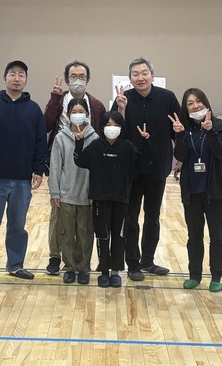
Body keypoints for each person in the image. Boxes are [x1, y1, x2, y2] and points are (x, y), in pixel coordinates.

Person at [0, 60, 47, 283]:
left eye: (21, 75)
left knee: (17, 226)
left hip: (22, 179)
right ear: (5, 78)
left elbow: (40, 141)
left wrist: (38, 169)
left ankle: (15, 265)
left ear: (26, 80)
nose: (17, 78)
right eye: (12, 74)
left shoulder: (33, 109)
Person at [113, 57, 180, 281]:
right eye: (135, 74)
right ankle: (133, 264)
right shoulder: (124, 99)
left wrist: (181, 156)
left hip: (158, 169)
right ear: (130, 78)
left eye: (144, 73)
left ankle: (148, 261)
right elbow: (114, 131)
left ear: (152, 75)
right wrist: (121, 109)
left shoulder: (167, 98)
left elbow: (178, 130)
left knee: (153, 217)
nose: (140, 77)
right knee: (130, 218)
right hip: (130, 171)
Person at [43, 60, 106, 275]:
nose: (77, 80)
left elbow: (105, 132)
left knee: (84, 225)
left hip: (86, 170)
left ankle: (82, 262)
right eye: (73, 76)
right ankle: (55, 256)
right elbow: (46, 124)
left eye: (82, 76)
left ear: (87, 79)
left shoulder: (96, 105)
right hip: (62, 165)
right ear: (67, 78)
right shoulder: (59, 100)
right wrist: (54, 99)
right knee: (59, 219)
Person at [74, 111, 150, 288]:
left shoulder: (127, 147)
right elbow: (81, 161)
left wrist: (146, 142)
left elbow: (143, 164)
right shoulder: (95, 146)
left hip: (121, 198)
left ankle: (115, 271)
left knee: (119, 235)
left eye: (116, 125)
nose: (112, 128)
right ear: (102, 128)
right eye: (108, 125)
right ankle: (104, 271)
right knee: (103, 235)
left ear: (121, 128)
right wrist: (79, 142)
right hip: (100, 198)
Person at [171, 88, 222, 292]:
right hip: (192, 191)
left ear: (205, 103)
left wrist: (210, 131)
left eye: (198, 101)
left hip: (216, 191)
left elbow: (220, 152)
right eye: (190, 103)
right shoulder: (185, 129)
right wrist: (179, 135)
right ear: (185, 108)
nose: (195, 106)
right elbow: (181, 156)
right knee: (194, 236)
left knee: (217, 235)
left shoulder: (220, 125)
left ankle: (216, 276)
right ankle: (194, 275)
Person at [48, 98, 98, 285]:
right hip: (66, 194)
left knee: (85, 234)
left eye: (81, 111)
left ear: (87, 114)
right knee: (66, 233)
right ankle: (69, 267)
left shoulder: (94, 138)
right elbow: (55, 167)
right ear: (68, 115)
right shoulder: (60, 138)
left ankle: (83, 268)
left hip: (86, 194)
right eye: (74, 112)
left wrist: (95, 193)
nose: (77, 115)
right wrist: (55, 192)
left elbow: (97, 169)